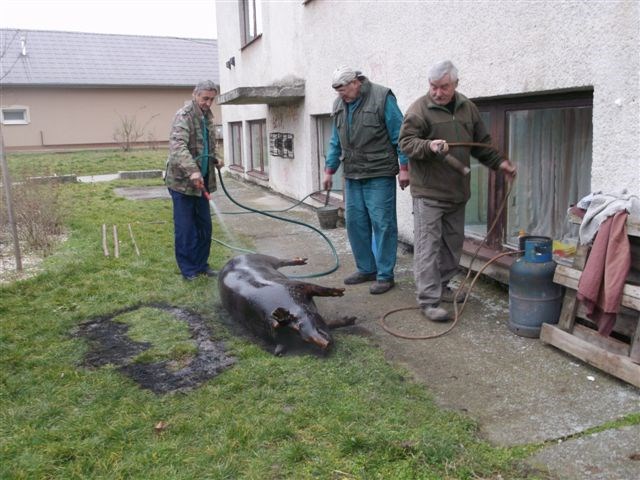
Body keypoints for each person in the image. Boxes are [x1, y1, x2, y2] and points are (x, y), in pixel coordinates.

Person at [399, 60, 516, 321]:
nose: (437, 92)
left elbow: (481, 144)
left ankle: (442, 287)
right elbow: (405, 143)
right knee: (428, 248)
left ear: (455, 84)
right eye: (433, 86)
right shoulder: (419, 109)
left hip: (457, 192)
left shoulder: (467, 108)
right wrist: (428, 146)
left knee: (452, 246)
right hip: (429, 193)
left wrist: (500, 163)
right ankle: (428, 300)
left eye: (444, 87)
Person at [322, 66, 410, 295]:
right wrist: (329, 170)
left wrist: (404, 168)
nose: (341, 95)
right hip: (352, 174)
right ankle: (366, 268)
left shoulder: (382, 97)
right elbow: (335, 140)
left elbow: (400, 135)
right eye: (338, 91)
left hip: (379, 173)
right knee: (355, 223)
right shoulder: (339, 105)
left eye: (343, 89)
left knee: (383, 224)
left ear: (356, 82)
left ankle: (385, 275)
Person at [165, 80, 224, 280]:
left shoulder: (207, 117)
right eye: (205, 98)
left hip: (202, 183)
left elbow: (208, 145)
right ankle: (188, 270)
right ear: (195, 94)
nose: (208, 103)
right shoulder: (184, 116)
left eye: (212, 99)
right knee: (186, 229)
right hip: (182, 183)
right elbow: (178, 147)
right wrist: (193, 171)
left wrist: (215, 158)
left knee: (204, 227)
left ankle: (201, 266)